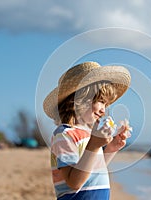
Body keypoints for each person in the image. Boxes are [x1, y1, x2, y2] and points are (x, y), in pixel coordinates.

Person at [43, 61, 132, 200]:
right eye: (101, 101)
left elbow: (94, 170)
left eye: (106, 104)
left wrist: (111, 148)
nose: (104, 110)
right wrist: (94, 144)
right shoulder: (64, 134)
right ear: (80, 99)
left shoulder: (87, 135)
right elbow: (74, 182)